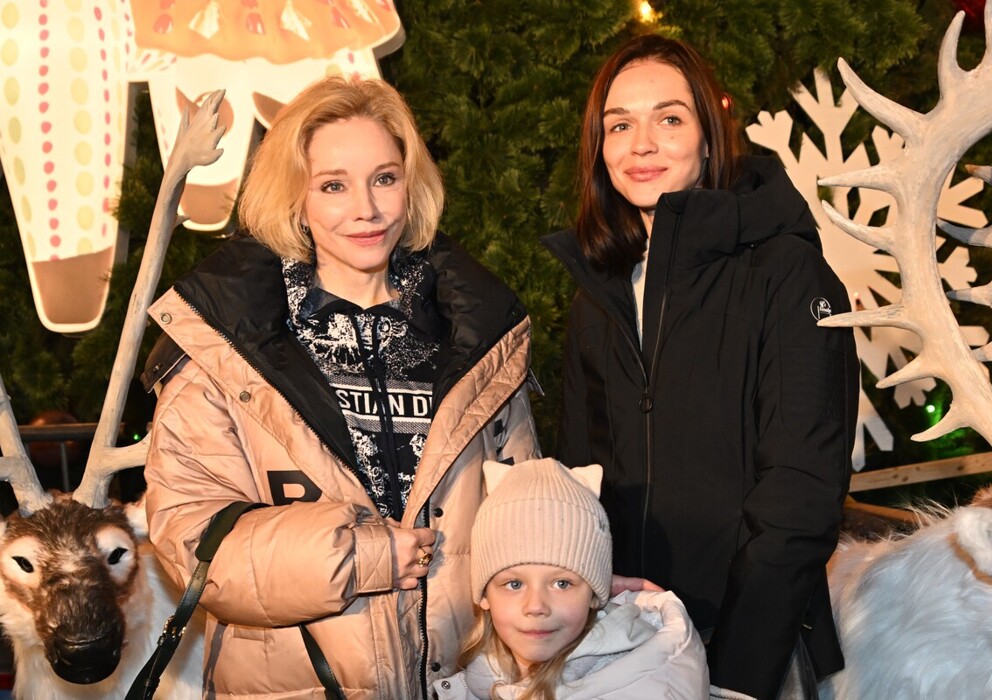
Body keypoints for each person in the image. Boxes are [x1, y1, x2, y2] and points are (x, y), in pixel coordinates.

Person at [142, 75, 540, 699]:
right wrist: (363, 557)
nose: (367, 209)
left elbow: (523, 514)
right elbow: (192, 539)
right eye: (334, 185)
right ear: (295, 197)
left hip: (467, 682)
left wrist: (581, 572)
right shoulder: (225, 347)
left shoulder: (478, 339)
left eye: (385, 178)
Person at [542, 35, 859, 700]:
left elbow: (801, 496)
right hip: (626, 648)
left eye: (670, 118)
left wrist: (735, 673)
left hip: (754, 654)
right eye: (619, 124)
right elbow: (581, 481)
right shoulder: (599, 292)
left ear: (710, 138)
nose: (642, 144)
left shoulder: (788, 273)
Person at [434, 458, 707, 700]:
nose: (536, 605)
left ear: (595, 594)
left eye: (562, 583)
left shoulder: (645, 685)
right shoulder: (481, 678)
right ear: (484, 596)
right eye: (514, 584)